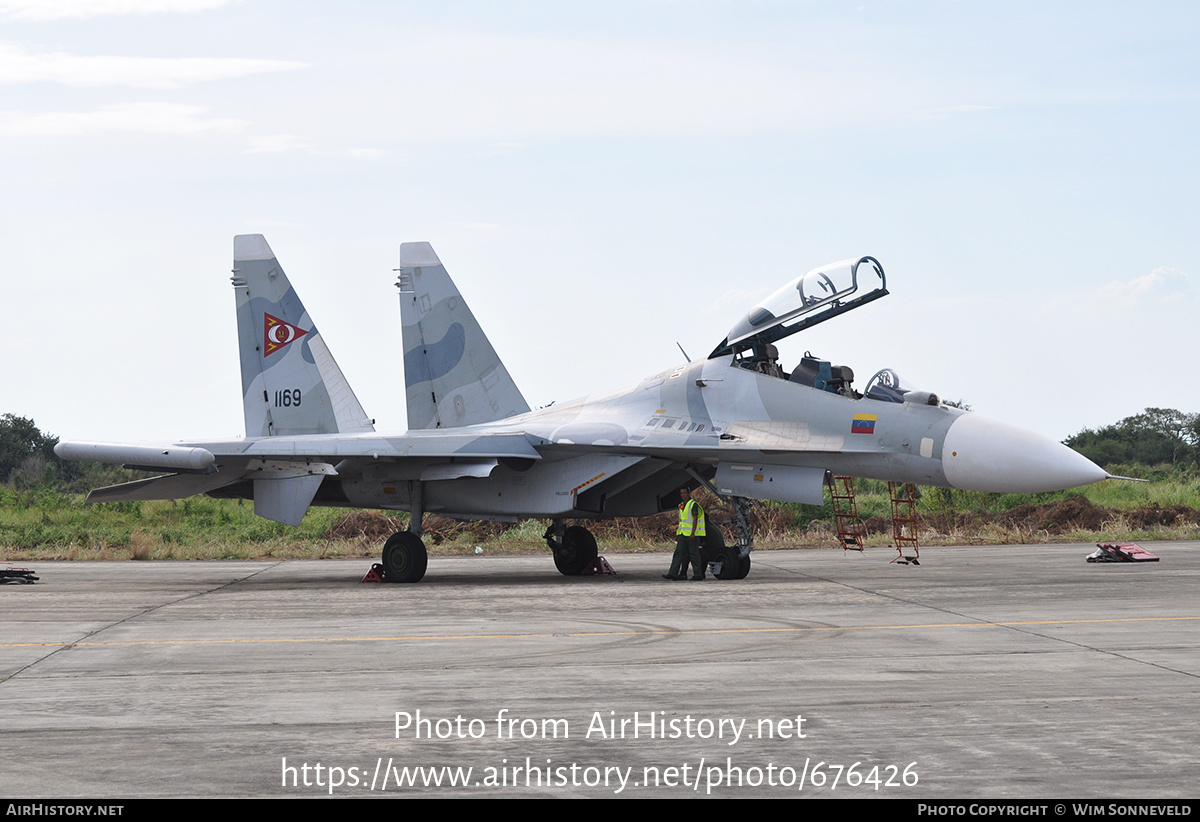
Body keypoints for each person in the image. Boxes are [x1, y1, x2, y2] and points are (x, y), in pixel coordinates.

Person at [663, 486, 706, 580]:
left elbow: (695, 519)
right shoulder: (681, 505)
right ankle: (672, 573)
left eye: (684, 493)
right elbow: (682, 521)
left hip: (691, 534)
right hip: (683, 534)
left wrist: (693, 533)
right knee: (678, 553)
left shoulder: (693, 504)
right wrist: (678, 533)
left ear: (689, 493)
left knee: (694, 554)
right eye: (681, 493)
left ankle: (698, 574)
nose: (683, 495)